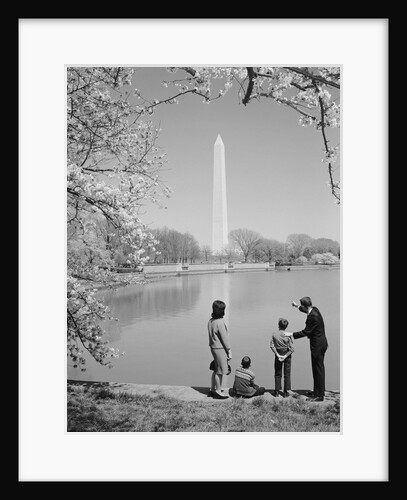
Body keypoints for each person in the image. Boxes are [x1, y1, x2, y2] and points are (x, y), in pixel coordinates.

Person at [285, 296, 328, 402]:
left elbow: (306, 332)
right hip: (320, 343)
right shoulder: (314, 309)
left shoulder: (313, 317)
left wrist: (291, 334)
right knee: (316, 368)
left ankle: (319, 395)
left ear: (305, 305)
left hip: (318, 345)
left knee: (318, 369)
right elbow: (305, 310)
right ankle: (317, 391)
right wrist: (296, 306)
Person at [208, 300, 232, 399]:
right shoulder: (220, 323)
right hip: (220, 348)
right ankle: (218, 391)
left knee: (216, 369)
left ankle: (213, 389)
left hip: (213, 347)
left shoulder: (211, 321)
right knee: (220, 371)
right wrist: (229, 351)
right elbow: (225, 339)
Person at [270, 318, 294, 398]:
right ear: (286, 326)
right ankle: (285, 392)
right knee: (287, 374)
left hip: (278, 355)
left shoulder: (274, 334)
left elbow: (272, 346)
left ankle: (276, 392)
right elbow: (292, 349)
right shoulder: (288, 335)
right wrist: (285, 356)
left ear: (278, 325)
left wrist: (277, 354)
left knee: (277, 373)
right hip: (287, 356)